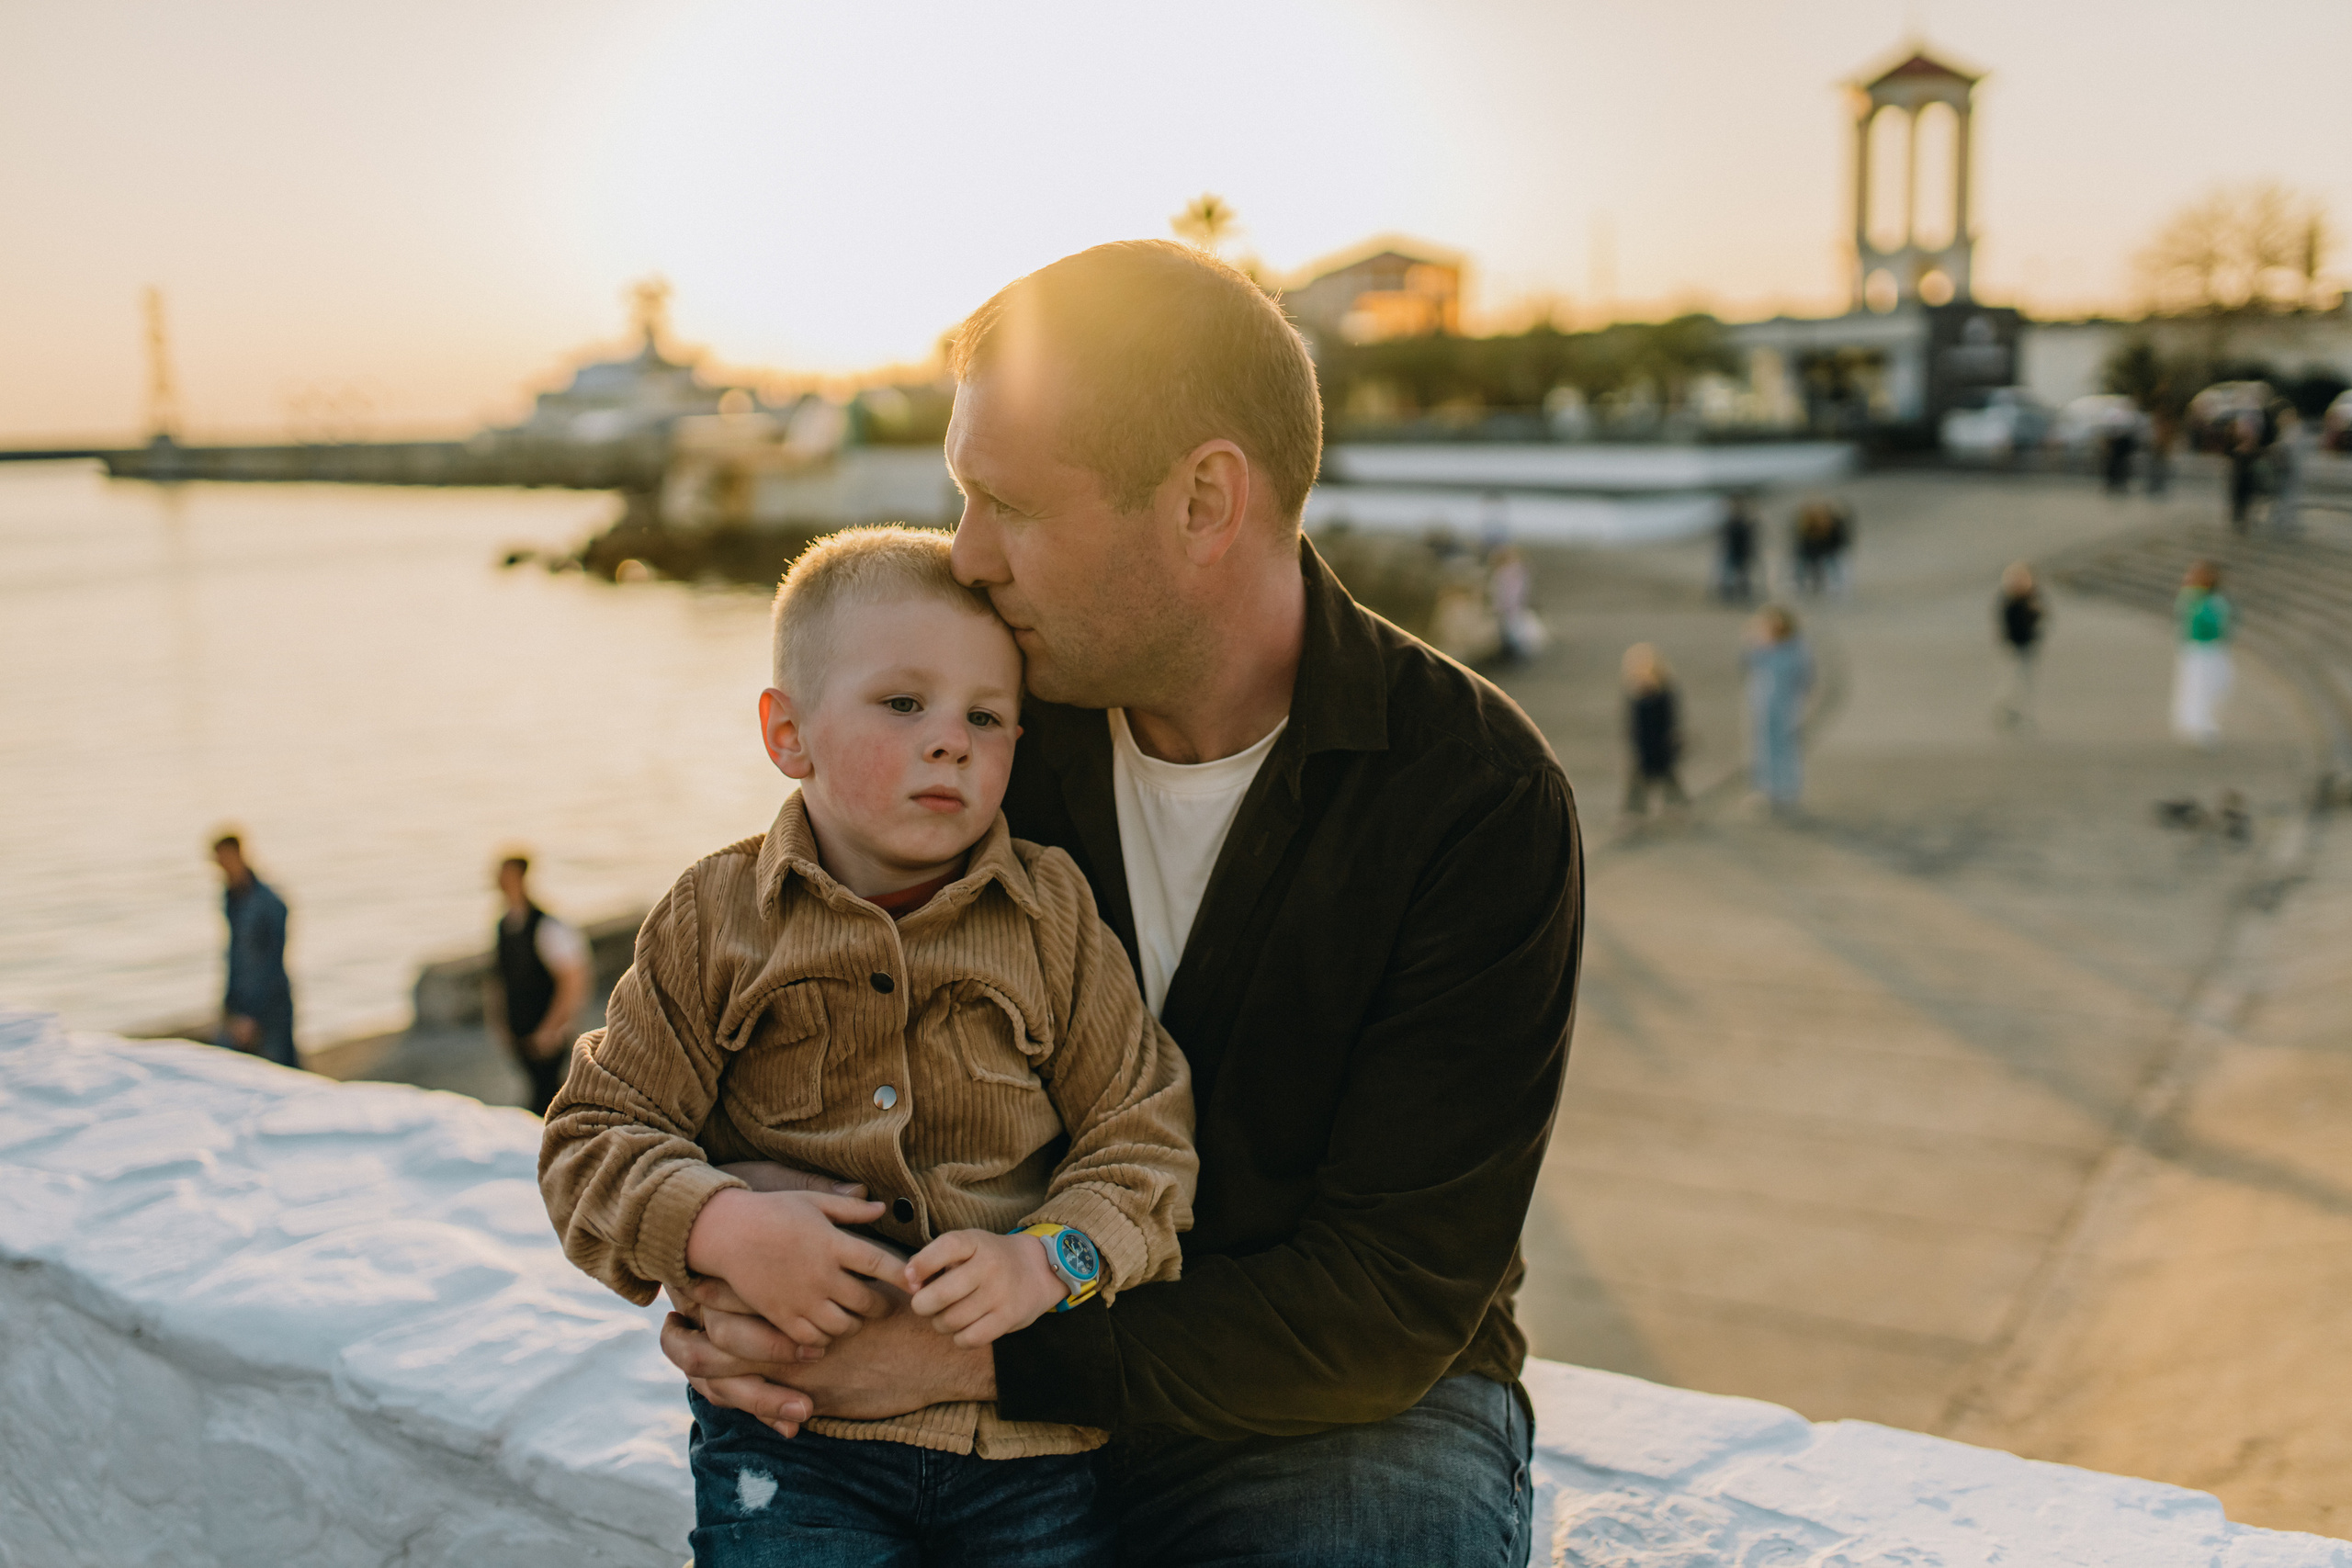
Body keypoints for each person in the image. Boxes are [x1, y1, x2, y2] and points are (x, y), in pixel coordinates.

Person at [659, 241, 1581, 1568]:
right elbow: (779, 997)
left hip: (1332, 1407)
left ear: (1206, 499)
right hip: (980, 1339)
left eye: (1007, 505)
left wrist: (961, 1360)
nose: (966, 558)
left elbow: (1390, 1299)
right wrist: (723, 1234)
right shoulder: (987, 735)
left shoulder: (1472, 799)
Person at [540, 526, 1198, 1566]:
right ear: (787, 733)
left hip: (1032, 1450)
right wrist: (720, 1227)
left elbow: (1144, 1139)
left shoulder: (1053, 916)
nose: (951, 740)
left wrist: (1045, 1264)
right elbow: (592, 1134)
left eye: (986, 717)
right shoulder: (715, 918)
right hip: (793, 1442)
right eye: (903, 704)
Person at [492, 853, 593, 1116]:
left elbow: (573, 980)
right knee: (538, 1094)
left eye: (507, 874)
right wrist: (500, 1022)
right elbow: (501, 979)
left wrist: (553, 1027)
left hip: (547, 1033)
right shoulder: (505, 926)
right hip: (520, 1031)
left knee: (551, 1100)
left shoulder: (547, 926)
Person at [210, 832, 297, 1067]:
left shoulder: (271, 904)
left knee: (284, 1075)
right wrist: (229, 1007)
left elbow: (272, 964)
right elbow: (234, 957)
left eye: (224, 859)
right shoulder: (231, 898)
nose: (220, 867)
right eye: (217, 861)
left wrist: (251, 1016)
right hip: (241, 1005)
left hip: (271, 1008)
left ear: (238, 854)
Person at [1744, 605, 1812, 812]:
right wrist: (1755, 644)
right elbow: (1747, 665)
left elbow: (1805, 679)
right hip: (1762, 704)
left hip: (1786, 706)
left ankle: (1788, 790)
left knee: (1785, 748)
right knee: (1763, 747)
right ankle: (1766, 789)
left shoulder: (1796, 650)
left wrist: (1797, 701)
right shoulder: (1764, 648)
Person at [2171, 560, 2233, 750]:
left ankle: (2199, 724)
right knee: (2199, 689)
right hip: (2199, 649)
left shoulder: (2214, 599)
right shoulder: (2194, 597)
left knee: (2218, 685)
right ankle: (2201, 727)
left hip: (2212, 648)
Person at [1622, 644, 1687, 815]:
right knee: (1638, 781)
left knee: (1668, 778)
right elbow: (1634, 725)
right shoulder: (1638, 699)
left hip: (1662, 747)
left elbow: (1670, 722)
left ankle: (1678, 806)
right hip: (1644, 748)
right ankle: (1634, 811)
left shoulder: (1662, 697)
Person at [1994, 562, 2046, 731]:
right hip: (2016, 645)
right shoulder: (2012, 602)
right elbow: (2008, 624)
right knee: (2015, 680)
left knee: (2023, 681)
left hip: (2027, 644)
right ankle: (2010, 710)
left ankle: (2018, 713)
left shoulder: (2030, 598)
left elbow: (2039, 618)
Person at [1488, 544, 1545, 663]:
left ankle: (1512, 655)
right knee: (1510, 631)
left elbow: (1508, 594)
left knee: (1511, 631)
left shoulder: (1509, 573)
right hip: (1512, 609)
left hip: (1511, 609)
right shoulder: (1515, 572)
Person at [1716, 494, 1758, 604]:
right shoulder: (1732, 520)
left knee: (1741, 575)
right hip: (1732, 551)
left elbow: (1748, 536)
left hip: (1740, 551)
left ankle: (1742, 596)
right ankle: (1728, 596)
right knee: (1730, 574)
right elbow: (1725, 535)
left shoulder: (1743, 521)